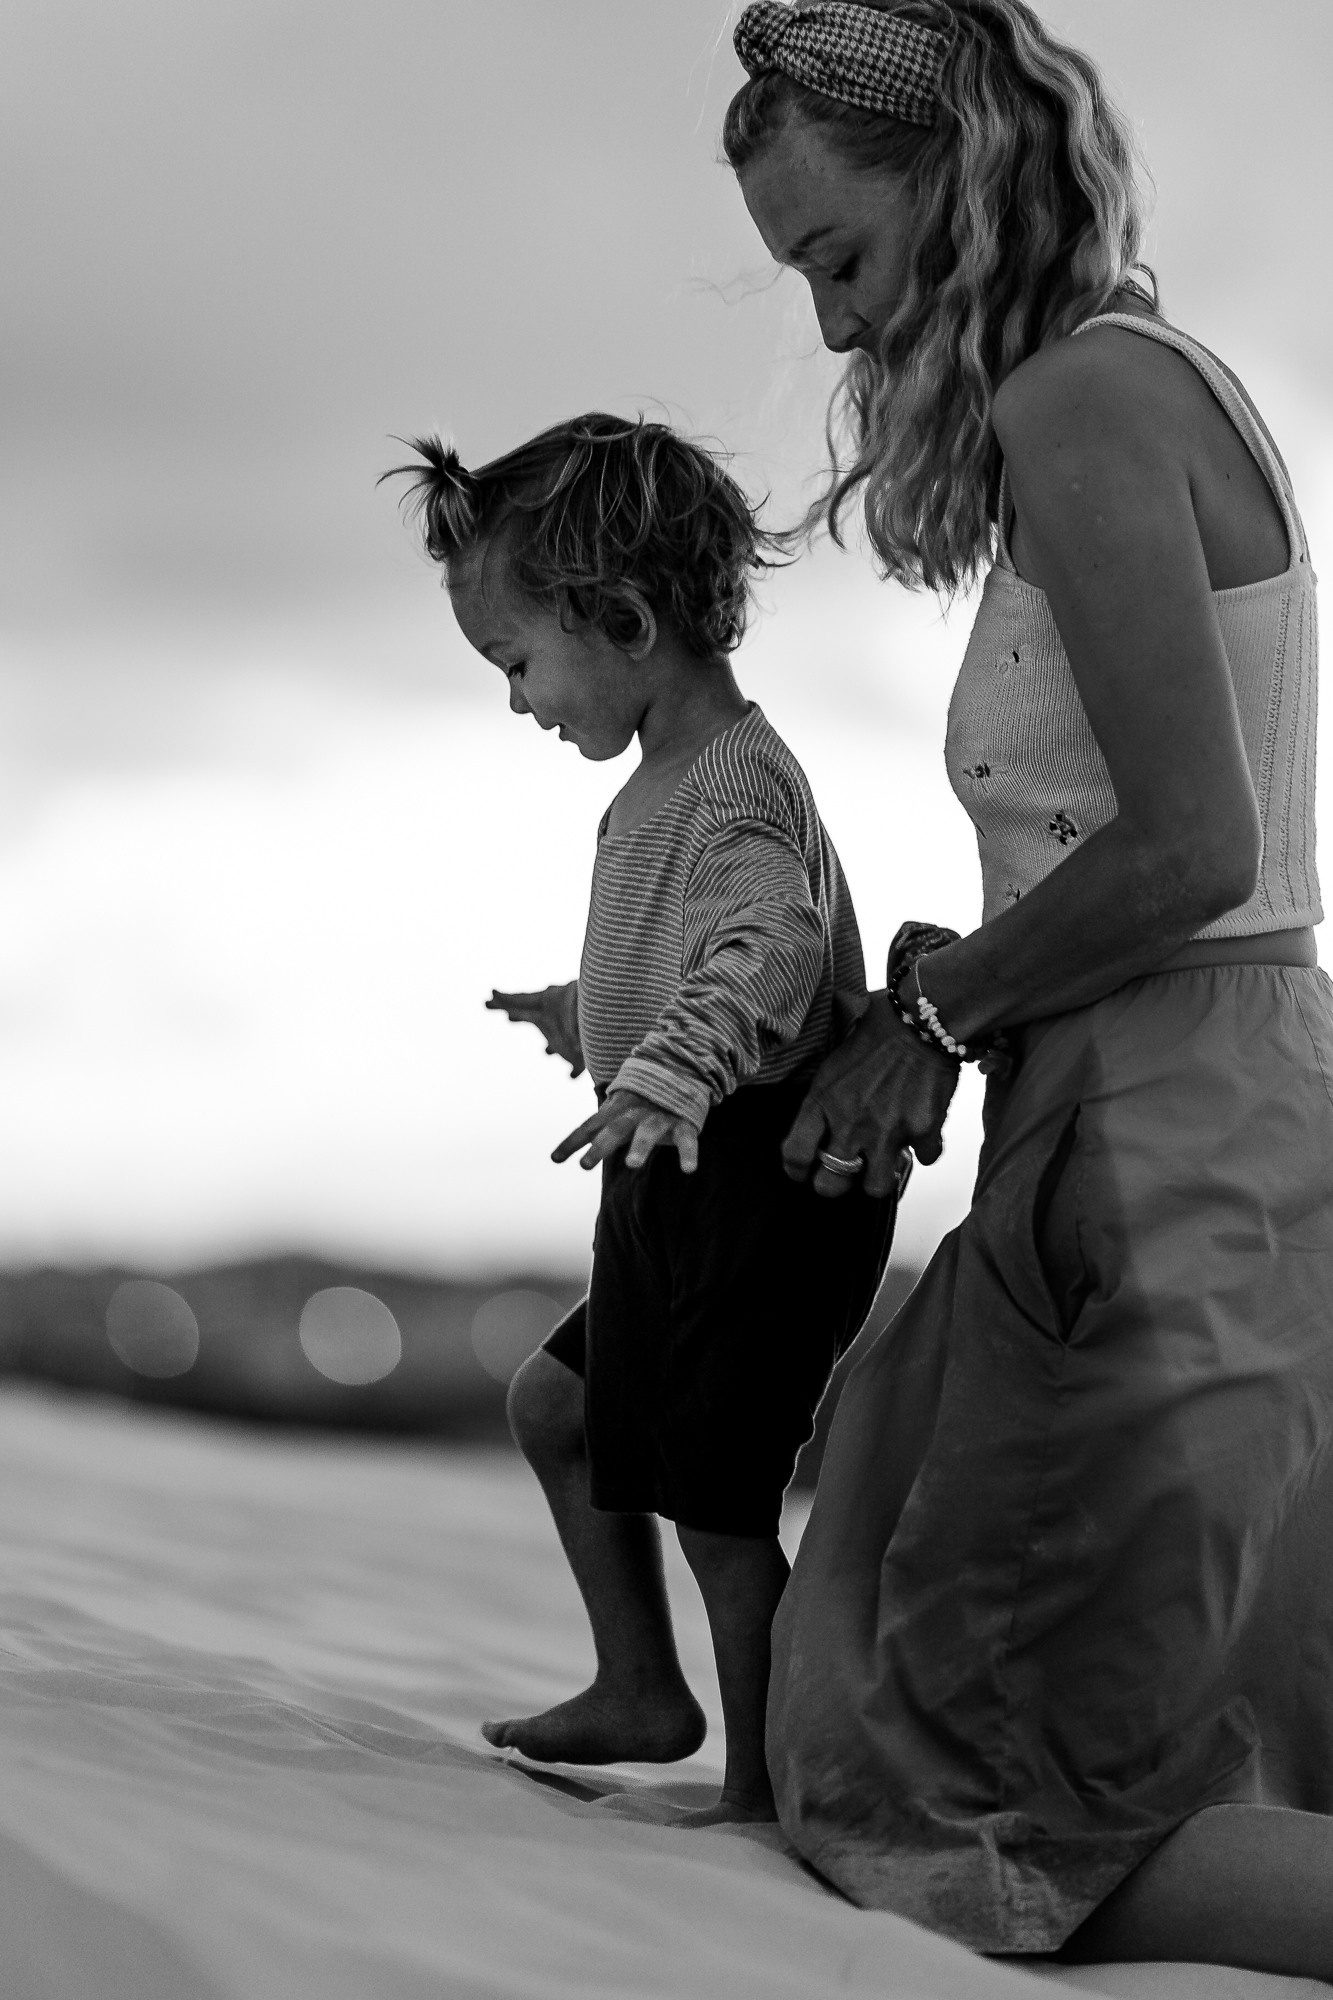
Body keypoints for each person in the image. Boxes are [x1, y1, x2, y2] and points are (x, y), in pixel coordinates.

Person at [721, 0, 1333, 1978]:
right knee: (1044, 1735)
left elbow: (1189, 852)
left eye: (837, 256)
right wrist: (957, 980)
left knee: (974, 1810)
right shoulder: (1141, 387)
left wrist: (925, 1022)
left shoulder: (1081, 401)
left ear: (956, 182)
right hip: (1180, 1099)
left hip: (1157, 1134)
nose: (827, 325)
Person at [386, 415, 901, 1822]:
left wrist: (670, 1065)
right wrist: (587, 1015)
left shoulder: (734, 784)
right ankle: (639, 1687)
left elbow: (767, 950)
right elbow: (697, 959)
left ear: (619, 619)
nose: (516, 701)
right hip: (679, 1166)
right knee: (556, 1403)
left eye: (516, 662)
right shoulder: (658, 784)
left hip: (755, 1182)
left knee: (721, 1504)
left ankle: (765, 1785)